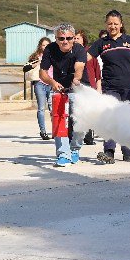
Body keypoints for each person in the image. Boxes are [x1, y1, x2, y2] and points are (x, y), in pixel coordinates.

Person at [87, 10, 130, 164]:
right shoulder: (102, 43)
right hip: (110, 86)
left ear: (121, 24)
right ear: (106, 25)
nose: (112, 26)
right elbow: (86, 57)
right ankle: (109, 151)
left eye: (115, 23)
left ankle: (127, 151)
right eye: (110, 23)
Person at [39, 23, 89, 166]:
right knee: (59, 120)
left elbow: (79, 68)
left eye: (68, 38)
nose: (65, 41)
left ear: (73, 38)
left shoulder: (79, 49)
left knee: (80, 121)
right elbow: (43, 72)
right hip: (58, 88)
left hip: (77, 87)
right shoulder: (50, 49)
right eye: (61, 38)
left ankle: (75, 149)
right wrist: (52, 82)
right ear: (56, 39)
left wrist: (76, 79)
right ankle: (63, 154)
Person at [74, 30, 100, 145]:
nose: (75, 40)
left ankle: (89, 137)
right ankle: (76, 136)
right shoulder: (71, 53)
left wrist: (98, 88)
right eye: (74, 38)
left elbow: (98, 72)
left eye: (78, 38)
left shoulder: (90, 53)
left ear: (84, 40)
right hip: (76, 86)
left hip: (89, 85)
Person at [24, 37, 52, 140]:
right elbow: (25, 68)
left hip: (51, 83)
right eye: (43, 45)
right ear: (40, 46)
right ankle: (43, 131)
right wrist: (36, 63)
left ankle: (56, 130)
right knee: (41, 108)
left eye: (47, 45)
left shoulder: (53, 55)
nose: (45, 47)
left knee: (53, 108)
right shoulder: (35, 57)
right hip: (39, 84)